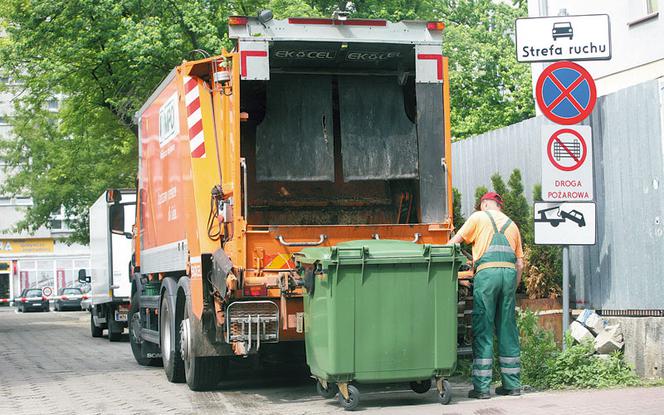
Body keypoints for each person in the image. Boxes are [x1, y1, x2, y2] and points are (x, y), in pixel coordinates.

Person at [448, 191, 524, 399]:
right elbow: (520, 264)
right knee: (507, 327)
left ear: (484, 205)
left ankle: (482, 389)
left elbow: (455, 242)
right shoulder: (513, 225)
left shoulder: (478, 217)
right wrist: (511, 288)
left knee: (483, 327)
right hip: (509, 276)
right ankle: (512, 385)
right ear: (499, 206)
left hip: (487, 275)